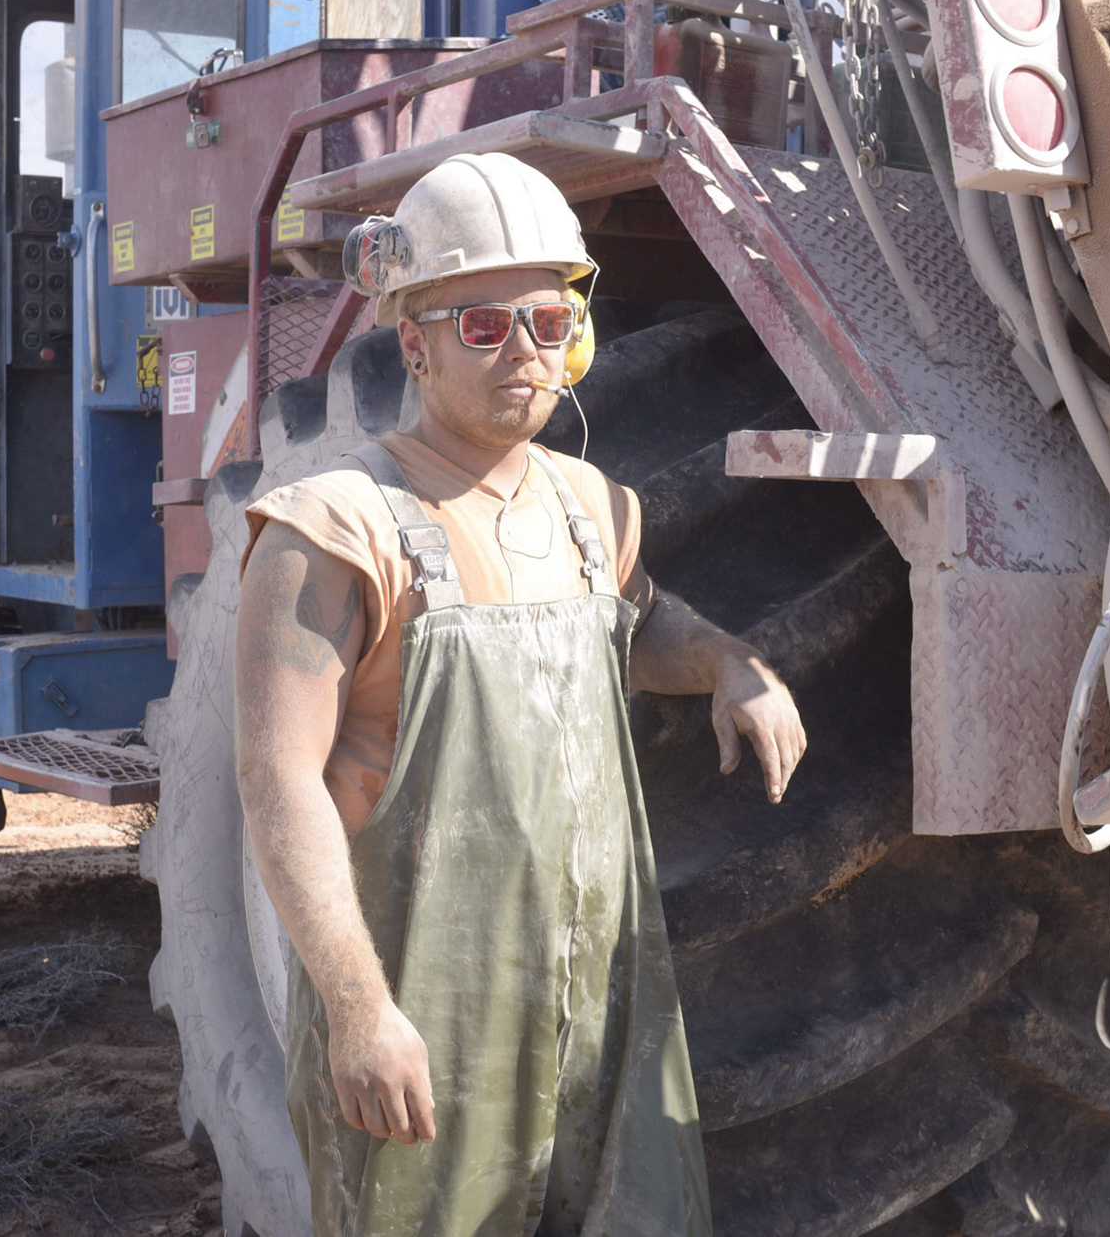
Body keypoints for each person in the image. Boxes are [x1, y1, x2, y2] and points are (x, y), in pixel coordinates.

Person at [235, 152, 806, 1236]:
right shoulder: (333, 529)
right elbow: (278, 780)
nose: (527, 351)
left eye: (549, 322)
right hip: (425, 1022)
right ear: (416, 343)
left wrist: (728, 662)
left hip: (603, 1012)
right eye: (485, 325)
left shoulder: (593, 505)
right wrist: (359, 1010)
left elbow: (638, 625)